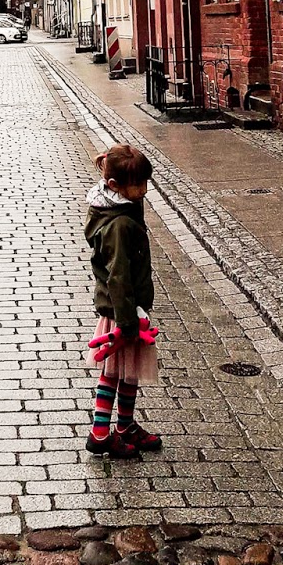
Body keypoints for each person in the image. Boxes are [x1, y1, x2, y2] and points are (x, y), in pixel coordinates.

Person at [84, 143, 162, 458]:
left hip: (130, 307)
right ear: (115, 186)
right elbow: (118, 276)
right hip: (123, 310)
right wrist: (128, 322)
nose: (143, 191)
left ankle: (124, 426)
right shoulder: (117, 223)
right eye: (137, 185)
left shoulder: (122, 206)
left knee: (129, 371)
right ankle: (100, 434)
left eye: (146, 183)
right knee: (115, 372)